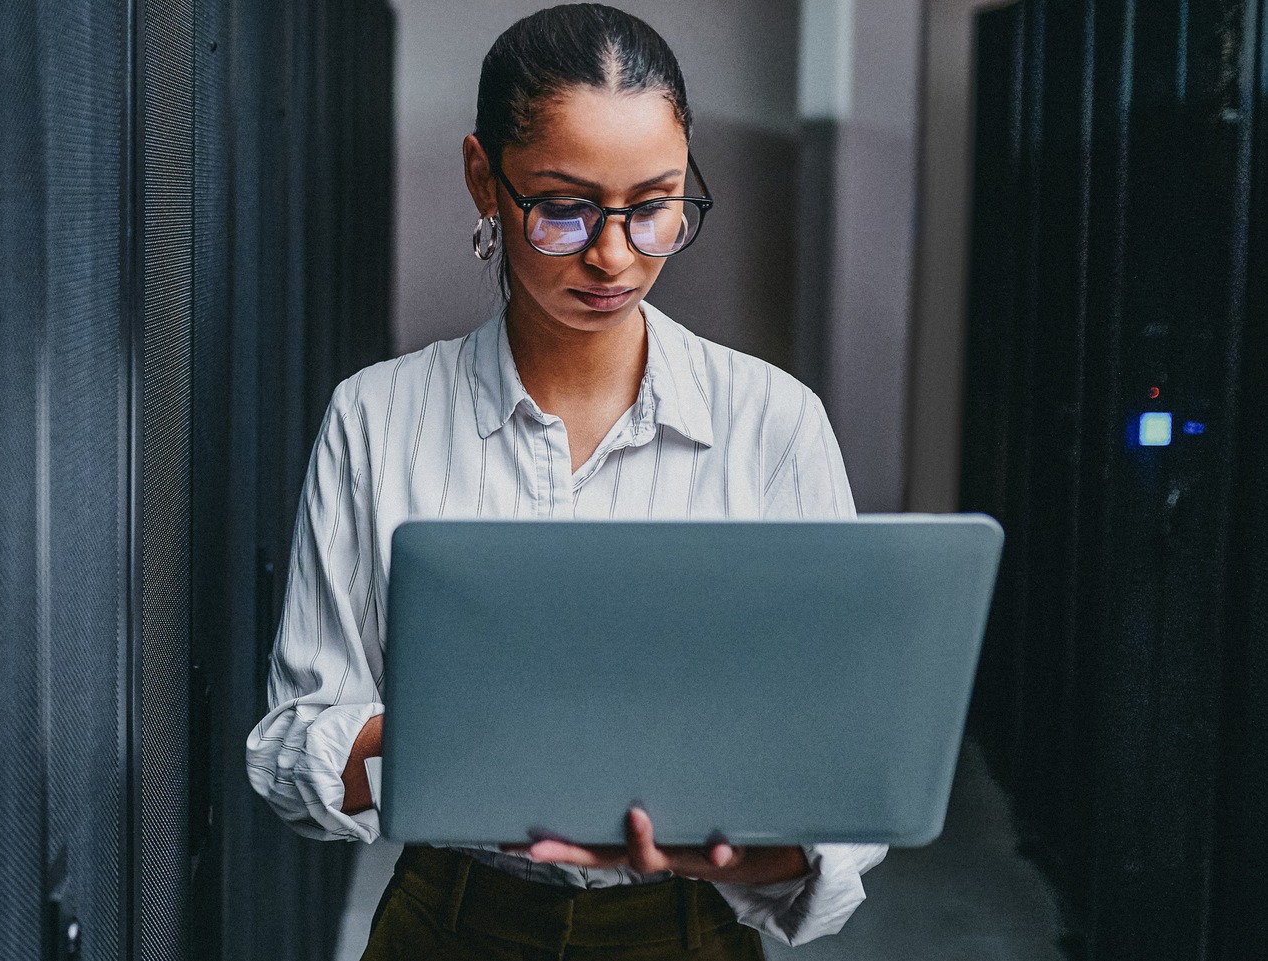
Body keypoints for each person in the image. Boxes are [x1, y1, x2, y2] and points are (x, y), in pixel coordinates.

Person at [243, 5, 889, 958]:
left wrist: (721, 856)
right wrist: (449, 727)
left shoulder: (773, 423)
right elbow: (295, 748)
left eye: (656, 203)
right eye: (565, 207)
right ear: (484, 181)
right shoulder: (377, 419)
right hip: (451, 923)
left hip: (687, 927)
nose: (615, 253)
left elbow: (844, 788)